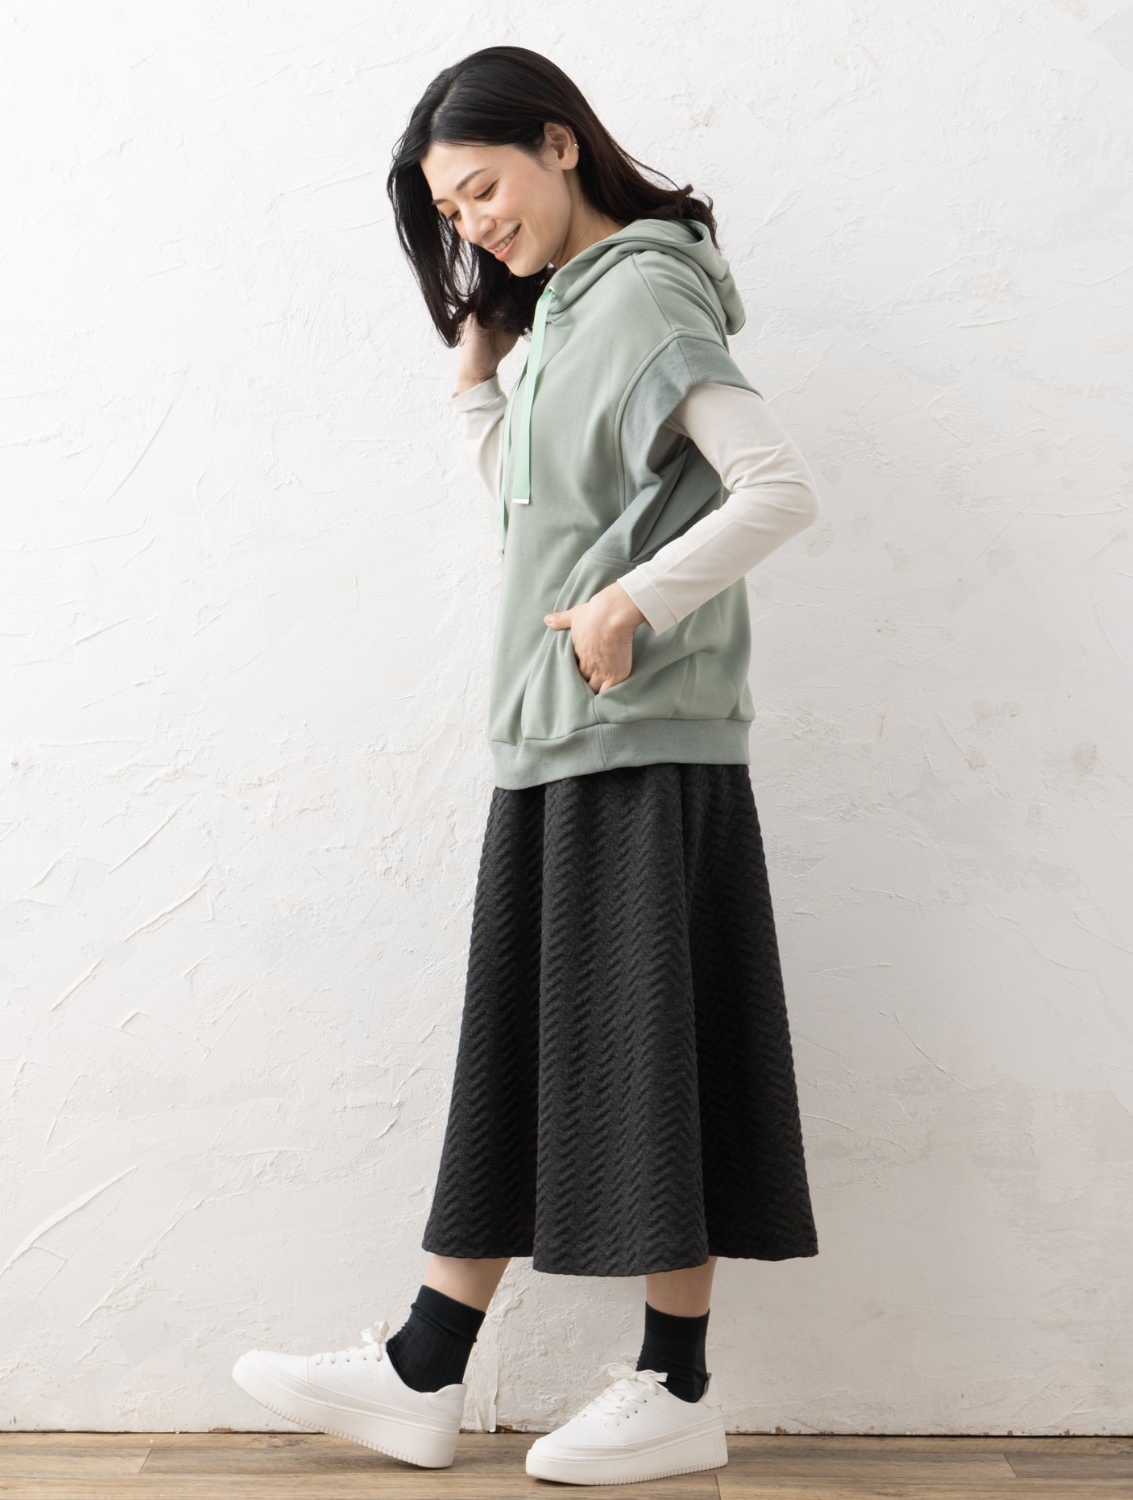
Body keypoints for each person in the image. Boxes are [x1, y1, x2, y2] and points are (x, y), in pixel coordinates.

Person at [233, 44, 823, 1486]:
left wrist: (635, 605)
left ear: (560, 144)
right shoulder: (566, 309)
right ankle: (424, 1366)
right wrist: (479, 386)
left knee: (648, 1056)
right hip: (560, 734)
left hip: (637, 732)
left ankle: (673, 1385)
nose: (473, 226)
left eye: (481, 188)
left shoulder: (646, 294)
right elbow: (539, 518)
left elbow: (777, 488)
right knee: (526, 1046)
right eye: (449, 213)